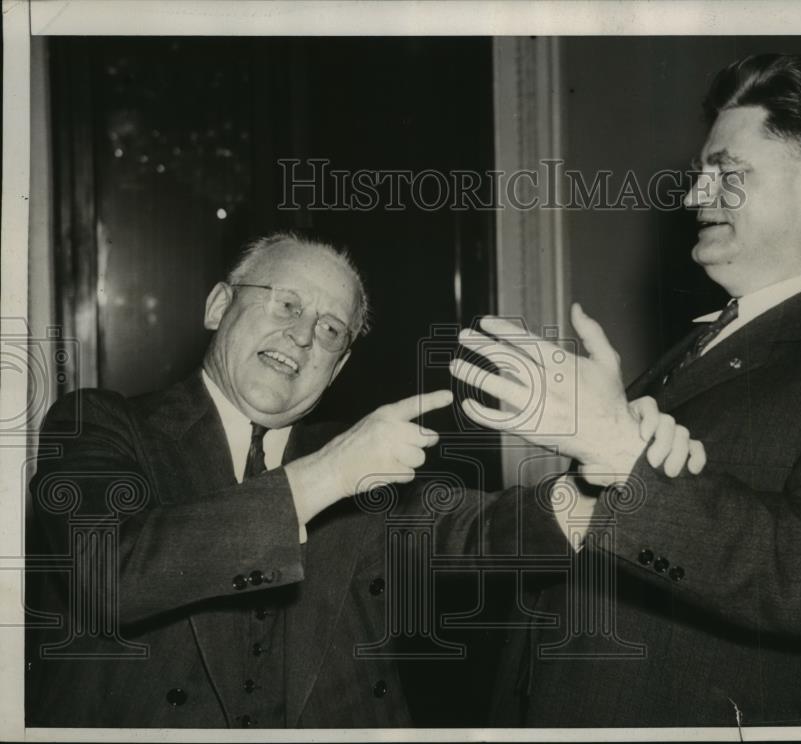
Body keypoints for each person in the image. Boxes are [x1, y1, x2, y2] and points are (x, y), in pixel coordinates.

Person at [450, 54, 801, 726]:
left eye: (728, 173)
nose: (695, 197)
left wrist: (617, 452)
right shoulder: (698, 345)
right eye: (700, 174)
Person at [25, 232, 699, 728]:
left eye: (329, 330)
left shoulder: (365, 468)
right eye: (286, 304)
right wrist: (329, 472)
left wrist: (607, 466)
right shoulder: (101, 423)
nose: (302, 337)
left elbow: (479, 532)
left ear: (338, 367)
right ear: (217, 305)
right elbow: (107, 573)